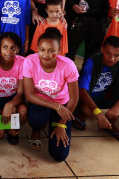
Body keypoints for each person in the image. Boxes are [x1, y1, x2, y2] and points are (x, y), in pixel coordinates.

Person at [23, 28, 78, 161]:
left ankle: (54, 123)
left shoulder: (68, 65)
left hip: (62, 104)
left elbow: (74, 98)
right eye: (42, 50)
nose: (46, 54)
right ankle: (36, 131)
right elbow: (29, 95)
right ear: (37, 49)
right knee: (37, 118)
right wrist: (55, 107)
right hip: (39, 101)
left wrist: (61, 124)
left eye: (52, 50)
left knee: (59, 155)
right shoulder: (30, 61)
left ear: (59, 51)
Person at [75, 36, 119, 144]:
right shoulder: (93, 61)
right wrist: (99, 113)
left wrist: (117, 107)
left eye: (116, 55)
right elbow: (82, 90)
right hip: (89, 98)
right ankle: (80, 113)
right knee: (88, 112)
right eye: (108, 53)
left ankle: (110, 124)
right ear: (102, 50)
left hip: (105, 96)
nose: (112, 59)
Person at [0, 32, 27, 144]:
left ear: (18, 49)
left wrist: (9, 105)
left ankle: (11, 127)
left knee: (22, 111)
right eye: (5, 47)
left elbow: (20, 94)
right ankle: (3, 124)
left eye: (13, 48)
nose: (9, 51)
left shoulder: (22, 62)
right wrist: (3, 115)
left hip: (13, 99)